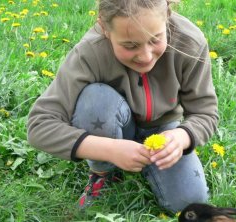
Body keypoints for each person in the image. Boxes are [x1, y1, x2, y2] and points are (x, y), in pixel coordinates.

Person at [27, 0, 218, 213]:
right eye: (130, 45)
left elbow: (206, 112)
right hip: (108, 124)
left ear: (167, 17)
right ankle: (104, 173)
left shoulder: (189, 42)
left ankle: (149, 165)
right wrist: (110, 150)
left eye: (155, 39)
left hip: (164, 132)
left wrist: (182, 137)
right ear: (105, 28)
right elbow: (39, 125)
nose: (145, 56)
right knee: (95, 99)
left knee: (189, 203)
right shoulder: (90, 52)